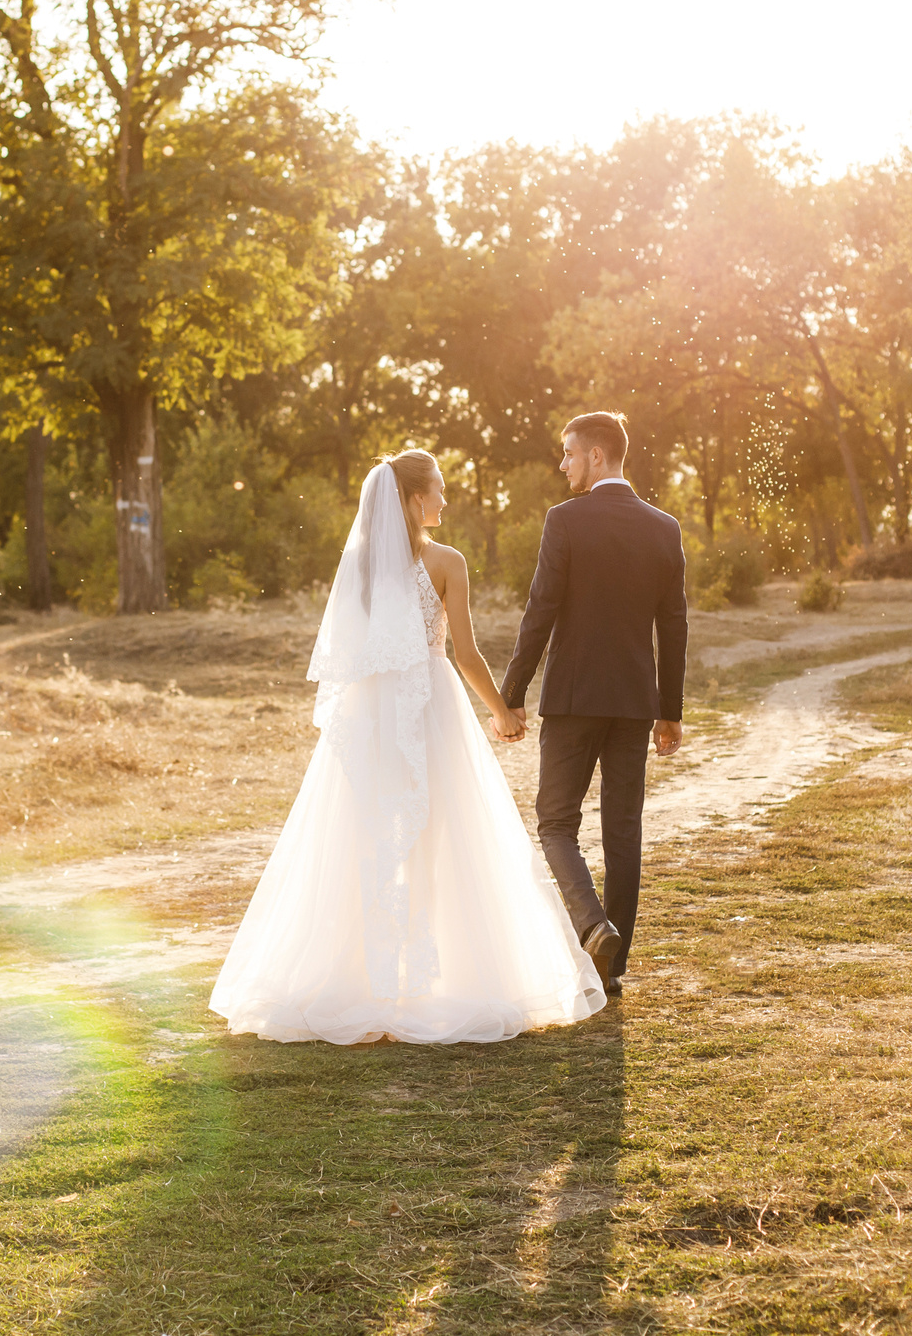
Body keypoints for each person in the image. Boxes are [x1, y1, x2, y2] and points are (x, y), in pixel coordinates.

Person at [210, 451, 607, 1044]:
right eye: (440, 490)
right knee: (439, 834)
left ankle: (374, 981)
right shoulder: (447, 562)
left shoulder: (360, 565)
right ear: (417, 498)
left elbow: (348, 652)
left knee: (367, 837)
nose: (446, 501)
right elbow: (464, 654)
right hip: (429, 705)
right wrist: (502, 711)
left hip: (371, 711)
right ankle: (428, 982)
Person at [500, 411, 689, 997]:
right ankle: (615, 966)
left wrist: (513, 694)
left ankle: (592, 925)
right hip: (634, 701)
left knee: (556, 822)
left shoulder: (565, 521)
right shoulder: (664, 527)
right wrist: (670, 708)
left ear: (597, 456)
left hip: (574, 699)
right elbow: (674, 626)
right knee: (623, 828)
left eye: (568, 453)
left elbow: (541, 612)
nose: (562, 465)